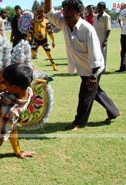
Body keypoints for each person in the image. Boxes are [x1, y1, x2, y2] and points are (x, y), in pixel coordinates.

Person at [44, 0, 120, 130]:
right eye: (64, 10)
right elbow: (48, 12)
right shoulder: (64, 23)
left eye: (69, 11)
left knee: (85, 95)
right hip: (82, 67)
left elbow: (96, 55)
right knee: (95, 92)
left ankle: (79, 122)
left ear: (78, 12)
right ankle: (114, 112)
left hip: (93, 68)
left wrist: (93, 76)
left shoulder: (87, 29)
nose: (65, 13)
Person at [93, 2, 111, 73]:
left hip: (102, 38)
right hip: (95, 38)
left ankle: (103, 69)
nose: (99, 9)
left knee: (103, 54)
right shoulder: (95, 16)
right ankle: (96, 68)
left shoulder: (106, 16)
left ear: (104, 8)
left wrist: (106, 40)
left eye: (101, 7)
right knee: (95, 54)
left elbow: (108, 29)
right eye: (98, 7)